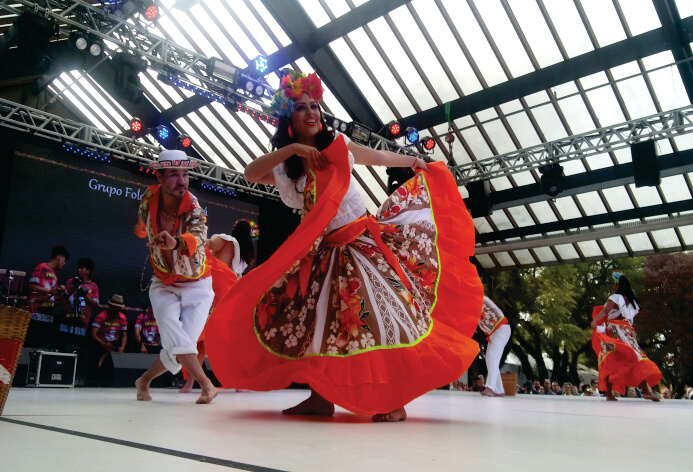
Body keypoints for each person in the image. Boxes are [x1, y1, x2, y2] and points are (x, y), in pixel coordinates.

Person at [205, 70, 483, 422]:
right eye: (302, 107)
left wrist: (412, 162)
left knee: (379, 323)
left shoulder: (335, 147)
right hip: (325, 254)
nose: (312, 112)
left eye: (315, 106)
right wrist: (292, 149)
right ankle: (320, 398)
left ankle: (392, 402)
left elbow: (373, 157)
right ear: (288, 120)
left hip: (360, 245)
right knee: (320, 327)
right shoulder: (289, 169)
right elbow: (249, 172)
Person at [133, 150, 217, 404]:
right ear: (159, 177)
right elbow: (139, 228)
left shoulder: (193, 208)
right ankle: (206, 385)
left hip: (198, 284)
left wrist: (175, 243)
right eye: (174, 175)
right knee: (172, 328)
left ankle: (144, 380)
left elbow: (198, 236)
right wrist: (144, 232)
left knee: (180, 345)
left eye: (185, 174)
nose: (182, 180)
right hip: (163, 282)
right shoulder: (148, 199)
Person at [179, 220, 257, 393]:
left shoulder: (225, 239)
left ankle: (189, 384)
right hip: (233, 296)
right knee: (233, 342)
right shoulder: (246, 254)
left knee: (201, 341)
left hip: (215, 293)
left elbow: (204, 244)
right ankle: (240, 384)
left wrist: (187, 241)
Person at [591, 271, 662, 402]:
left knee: (610, 358)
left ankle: (610, 394)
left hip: (615, 330)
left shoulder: (615, 297)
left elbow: (606, 311)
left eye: (614, 285)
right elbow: (628, 318)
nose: (613, 287)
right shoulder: (634, 303)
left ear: (618, 286)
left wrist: (595, 321)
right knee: (636, 357)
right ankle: (644, 391)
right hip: (628, 332)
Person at [26, 245, 70, 347]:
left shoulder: (55, 275)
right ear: (59, 257)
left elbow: (51, 295)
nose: (64, 263)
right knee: (31, 345)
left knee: (41, 346)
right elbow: (31, 286)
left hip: (47, 316)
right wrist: (50, 291)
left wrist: (59, 299)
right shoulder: (41, 267)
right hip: (35, 314)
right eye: (64, 260)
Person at [90, 294, 128, 386]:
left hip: (115, 344)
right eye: (115, 307)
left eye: (118, 308)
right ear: (110, 306)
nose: (116, 310)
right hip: (101, 344)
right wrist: (104, 345)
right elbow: (93, 333)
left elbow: (124, 335)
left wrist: (122, 348)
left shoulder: (122, 317)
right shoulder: (101, 316)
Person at [60, 258, 99, 346]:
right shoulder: (70, 281)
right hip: (66, 321)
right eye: (79, 268)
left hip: (82, 324)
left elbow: (96, 304)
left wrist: (86, 297)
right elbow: (63, 298)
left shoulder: (93, 286)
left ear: (88, 271)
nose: (79, 270)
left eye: (82, 268)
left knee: (77, 348)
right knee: (63, 345)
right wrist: (73, 287)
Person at [477, 296, 511, 397]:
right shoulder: (476, 300)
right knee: (490, 359)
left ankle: (490, 388)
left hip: (501, 329)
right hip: (497, 331)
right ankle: (499, 390)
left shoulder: (480, 298)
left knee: (492, 357)